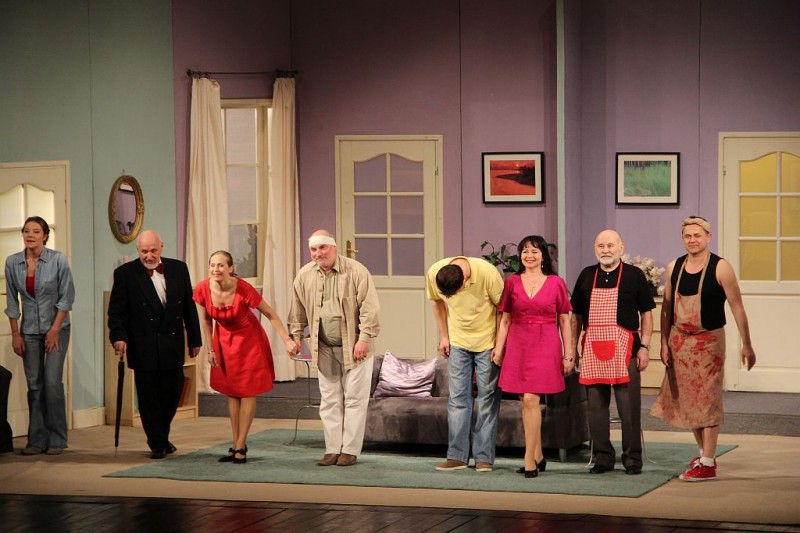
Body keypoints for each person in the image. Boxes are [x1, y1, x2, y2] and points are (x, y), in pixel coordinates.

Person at [650, 216, 756, 482]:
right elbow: (667, 308)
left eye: (697, 235)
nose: (692, 240)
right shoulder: (675, 267)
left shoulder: (721, 268)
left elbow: (737, 307)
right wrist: (663, 342)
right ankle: (703, 455)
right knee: (690, 401)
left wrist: (747, 344)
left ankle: (708, 464)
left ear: (708, 237)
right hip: (680, 343)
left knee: (707, 400)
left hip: (709, 344)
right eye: (688, 236)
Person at [193, 250, 301, 464]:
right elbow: (206, 320)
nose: (216, 269)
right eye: (212, 265)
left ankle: (241, 445)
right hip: (223, 342)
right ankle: (236, 444)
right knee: (232, 392)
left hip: (249, 341)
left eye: (221, 265)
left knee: (247, 391)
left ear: (231, 268)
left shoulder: (243, 288)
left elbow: (270, 313)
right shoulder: (203, 288)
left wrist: (287, 340)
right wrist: (211, 349)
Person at [107, 229, 202, 459]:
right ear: (137, 250)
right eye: (143, 251)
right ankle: (157, 442)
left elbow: (188, 306)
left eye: (153, 250)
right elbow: (117, 312)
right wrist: (118, 336)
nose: (148, 256)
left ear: (161, 248)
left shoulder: (179, 268)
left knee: (173, 391)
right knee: (149, 397)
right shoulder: (125, 274)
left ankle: (161, 436)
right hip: (143, 343)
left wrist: (195, 338)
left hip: (172, 342)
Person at [288, 230, 380, 467]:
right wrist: (295, 338)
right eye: (313, 249)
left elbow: (370, 308)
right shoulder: (305, 275)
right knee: (329, 400)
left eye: (323, 248)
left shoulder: (356, 271)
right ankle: (332, 449)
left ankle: (349, 450)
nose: (318, 253)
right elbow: (297, 311)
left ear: (334, 247)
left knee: (355, 400)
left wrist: (364, 339)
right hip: (324, 347)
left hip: (355, 346)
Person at [571, 229, 655, 475]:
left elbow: (647, 314)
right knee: (596, 409)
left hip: (627, 350)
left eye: (610, 245)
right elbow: (576, 315)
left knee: (629, 408)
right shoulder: (586, 275)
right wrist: (573, 348)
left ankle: (632, 458)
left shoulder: (634, 275)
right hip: (593, 349)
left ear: (621, 248)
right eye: (601, 246)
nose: (605, 250)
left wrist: (645, 347)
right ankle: (603, 458)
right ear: (595, 249)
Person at [492, 235, 574, 478]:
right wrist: (499, 348)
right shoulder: (512, 282)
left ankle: (529, 459)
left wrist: (569, 353)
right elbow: (505, 319)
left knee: (530, 399)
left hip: (545, 343)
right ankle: (538, 455)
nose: (529, 255)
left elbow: (564, 320)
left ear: (543, 256)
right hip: (518, 343)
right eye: (525, 251)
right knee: (526, 401)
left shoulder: (556, 283)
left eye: (534, 251)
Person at [4, 216, 75, 456]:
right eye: (26, 231)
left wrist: (54, 330)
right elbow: (12, 303)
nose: (30, 235)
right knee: (35, 385)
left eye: (36, 231)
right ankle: (36, 439)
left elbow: (66, 298)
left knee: (52, 382)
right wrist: (16, 334)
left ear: (45, 236)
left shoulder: (58, 260)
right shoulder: (13, 263)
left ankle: (57, 439)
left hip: (57, 328)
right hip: (29, 331)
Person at [427, 254, 504, 473]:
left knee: (487, 399)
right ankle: (457, 456)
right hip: (458, 342)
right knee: (458, 399)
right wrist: (444, 336)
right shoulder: (435, 272)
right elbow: (436, 302)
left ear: (465, 279)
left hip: (487, 342)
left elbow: (502, 310)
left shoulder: (487, 273)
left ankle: (483, 457)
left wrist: (499, 345)